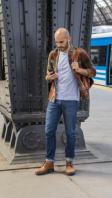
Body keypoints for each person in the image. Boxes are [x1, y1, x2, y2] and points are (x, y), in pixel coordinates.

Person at [35, 28, 96, 176]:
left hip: (71, 99)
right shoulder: (53, 54)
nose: (59, 45)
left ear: (68, 39)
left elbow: (93, 71)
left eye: (61, 42)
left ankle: (69, 162)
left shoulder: (79, 53)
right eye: (57, 42)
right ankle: (49, 162)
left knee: (70, 133)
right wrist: (49, 78)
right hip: (54, 98)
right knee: (49, 130)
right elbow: (47, 77)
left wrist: (80, 69)